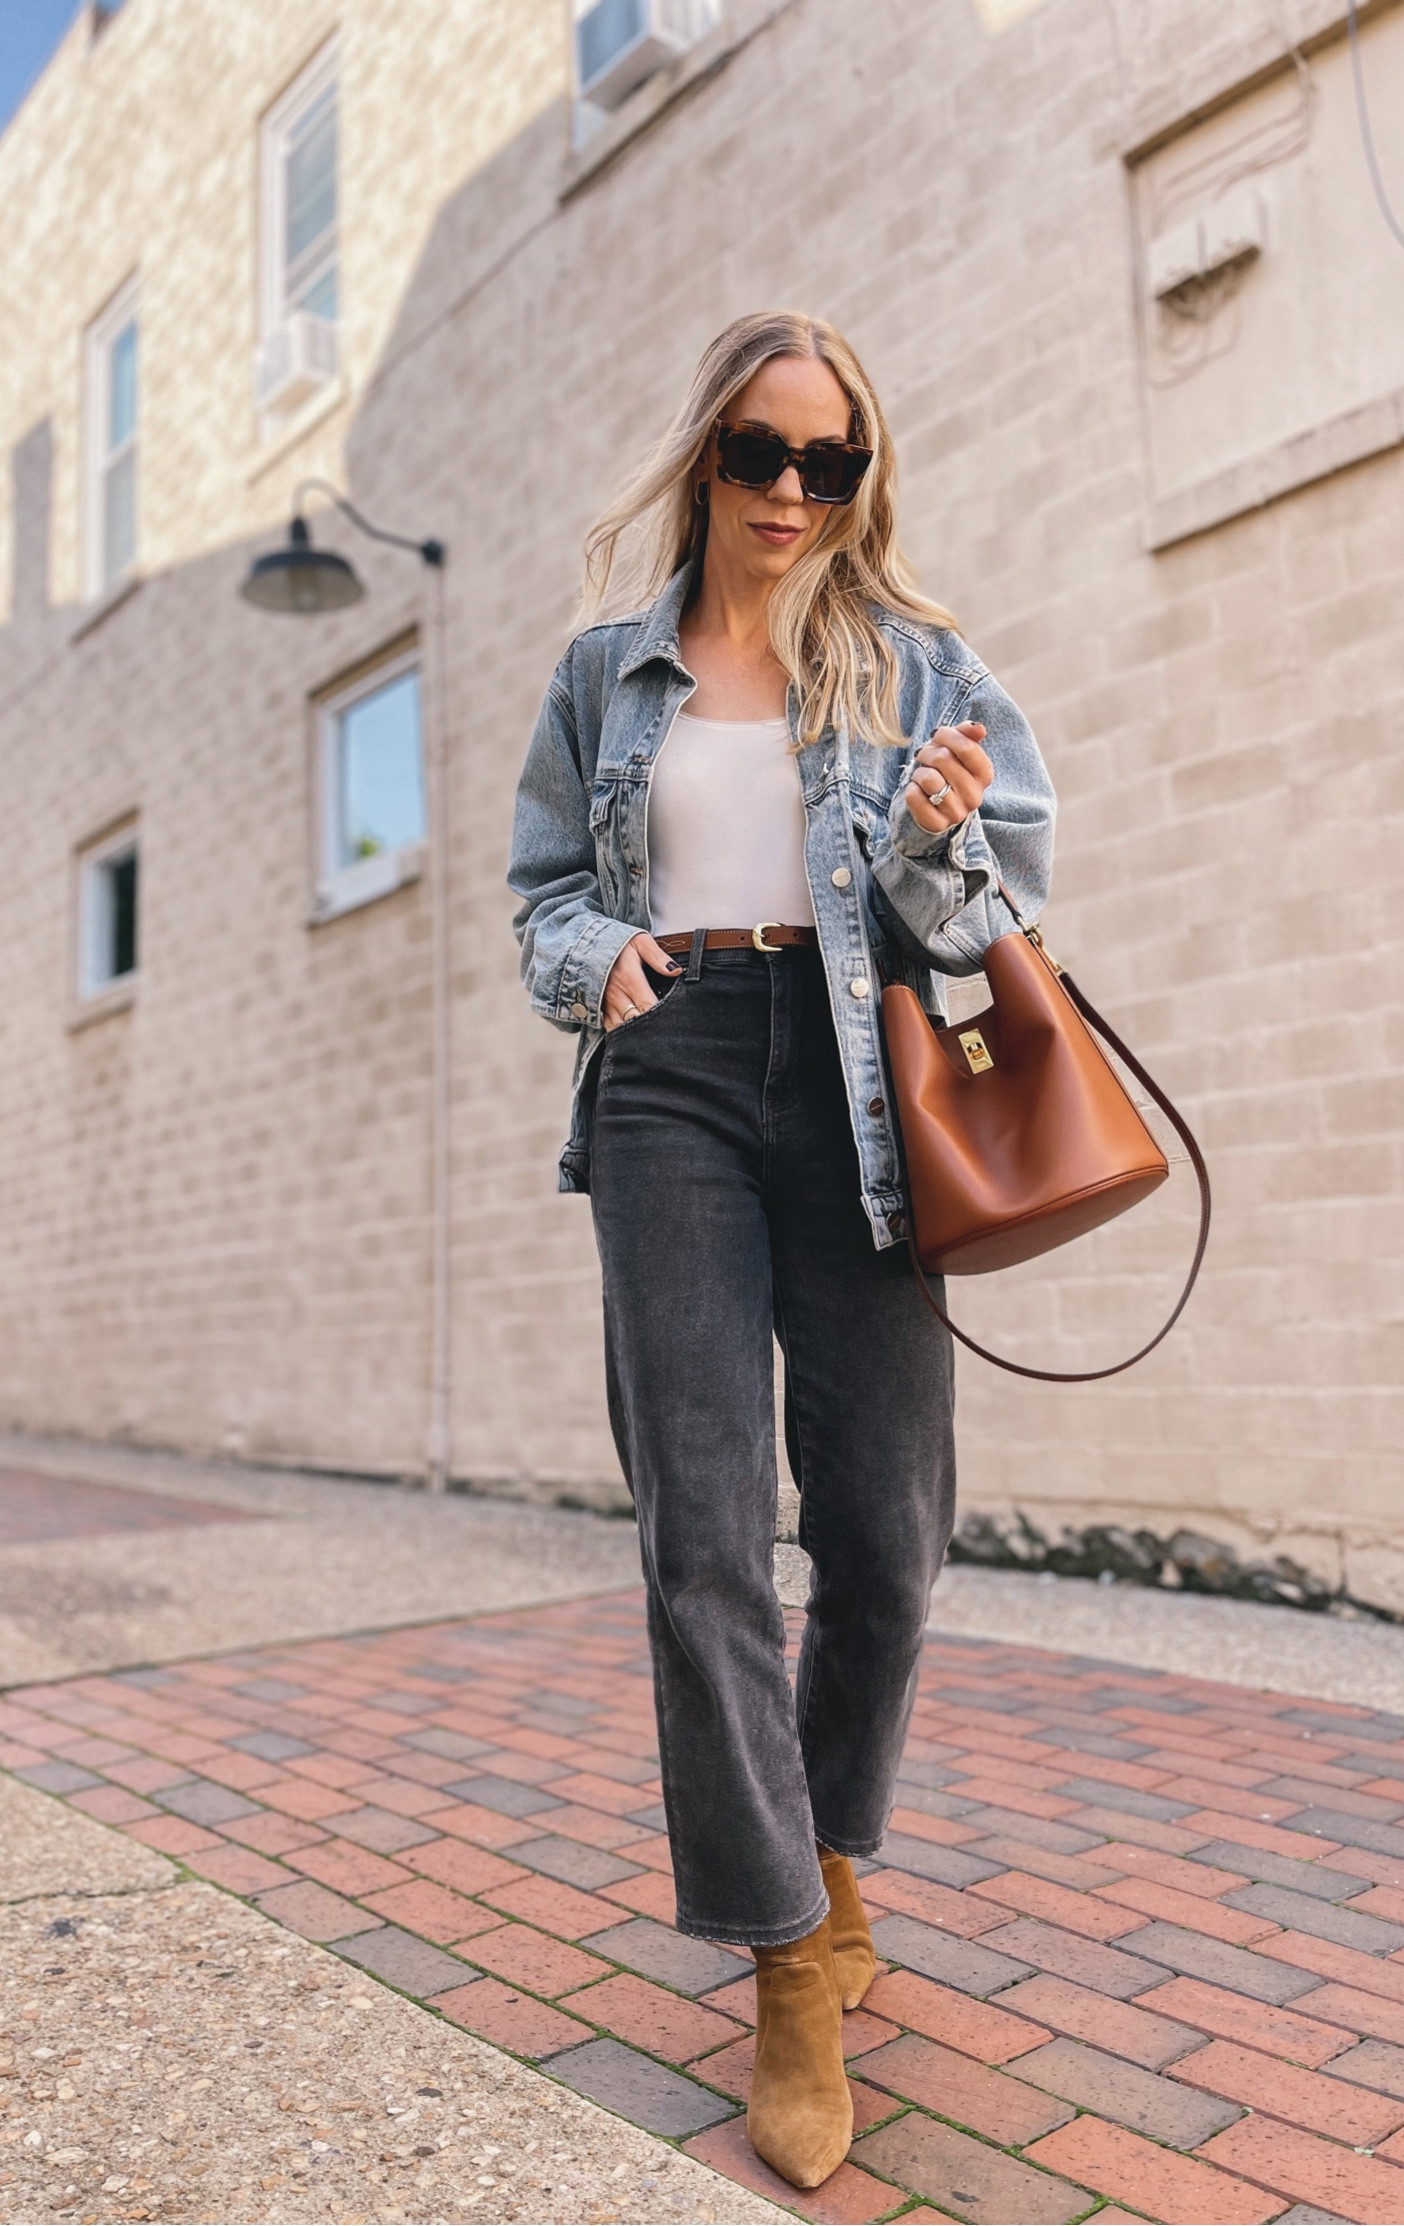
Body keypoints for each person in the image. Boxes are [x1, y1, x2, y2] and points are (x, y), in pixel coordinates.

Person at [508, 310, 1054, 2189]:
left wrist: (929, 848)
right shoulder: (607, 670)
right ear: (709, 452)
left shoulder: (921, 664)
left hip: (856, 1085)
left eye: (834, 464)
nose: (796, 494)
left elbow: (996, 920)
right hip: (672, 1080)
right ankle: (789, 1962)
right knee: (705, 1534)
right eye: (764, 453)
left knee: (889, 1534)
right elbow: (541, 891)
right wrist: (603, 963)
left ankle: (832, 1851)